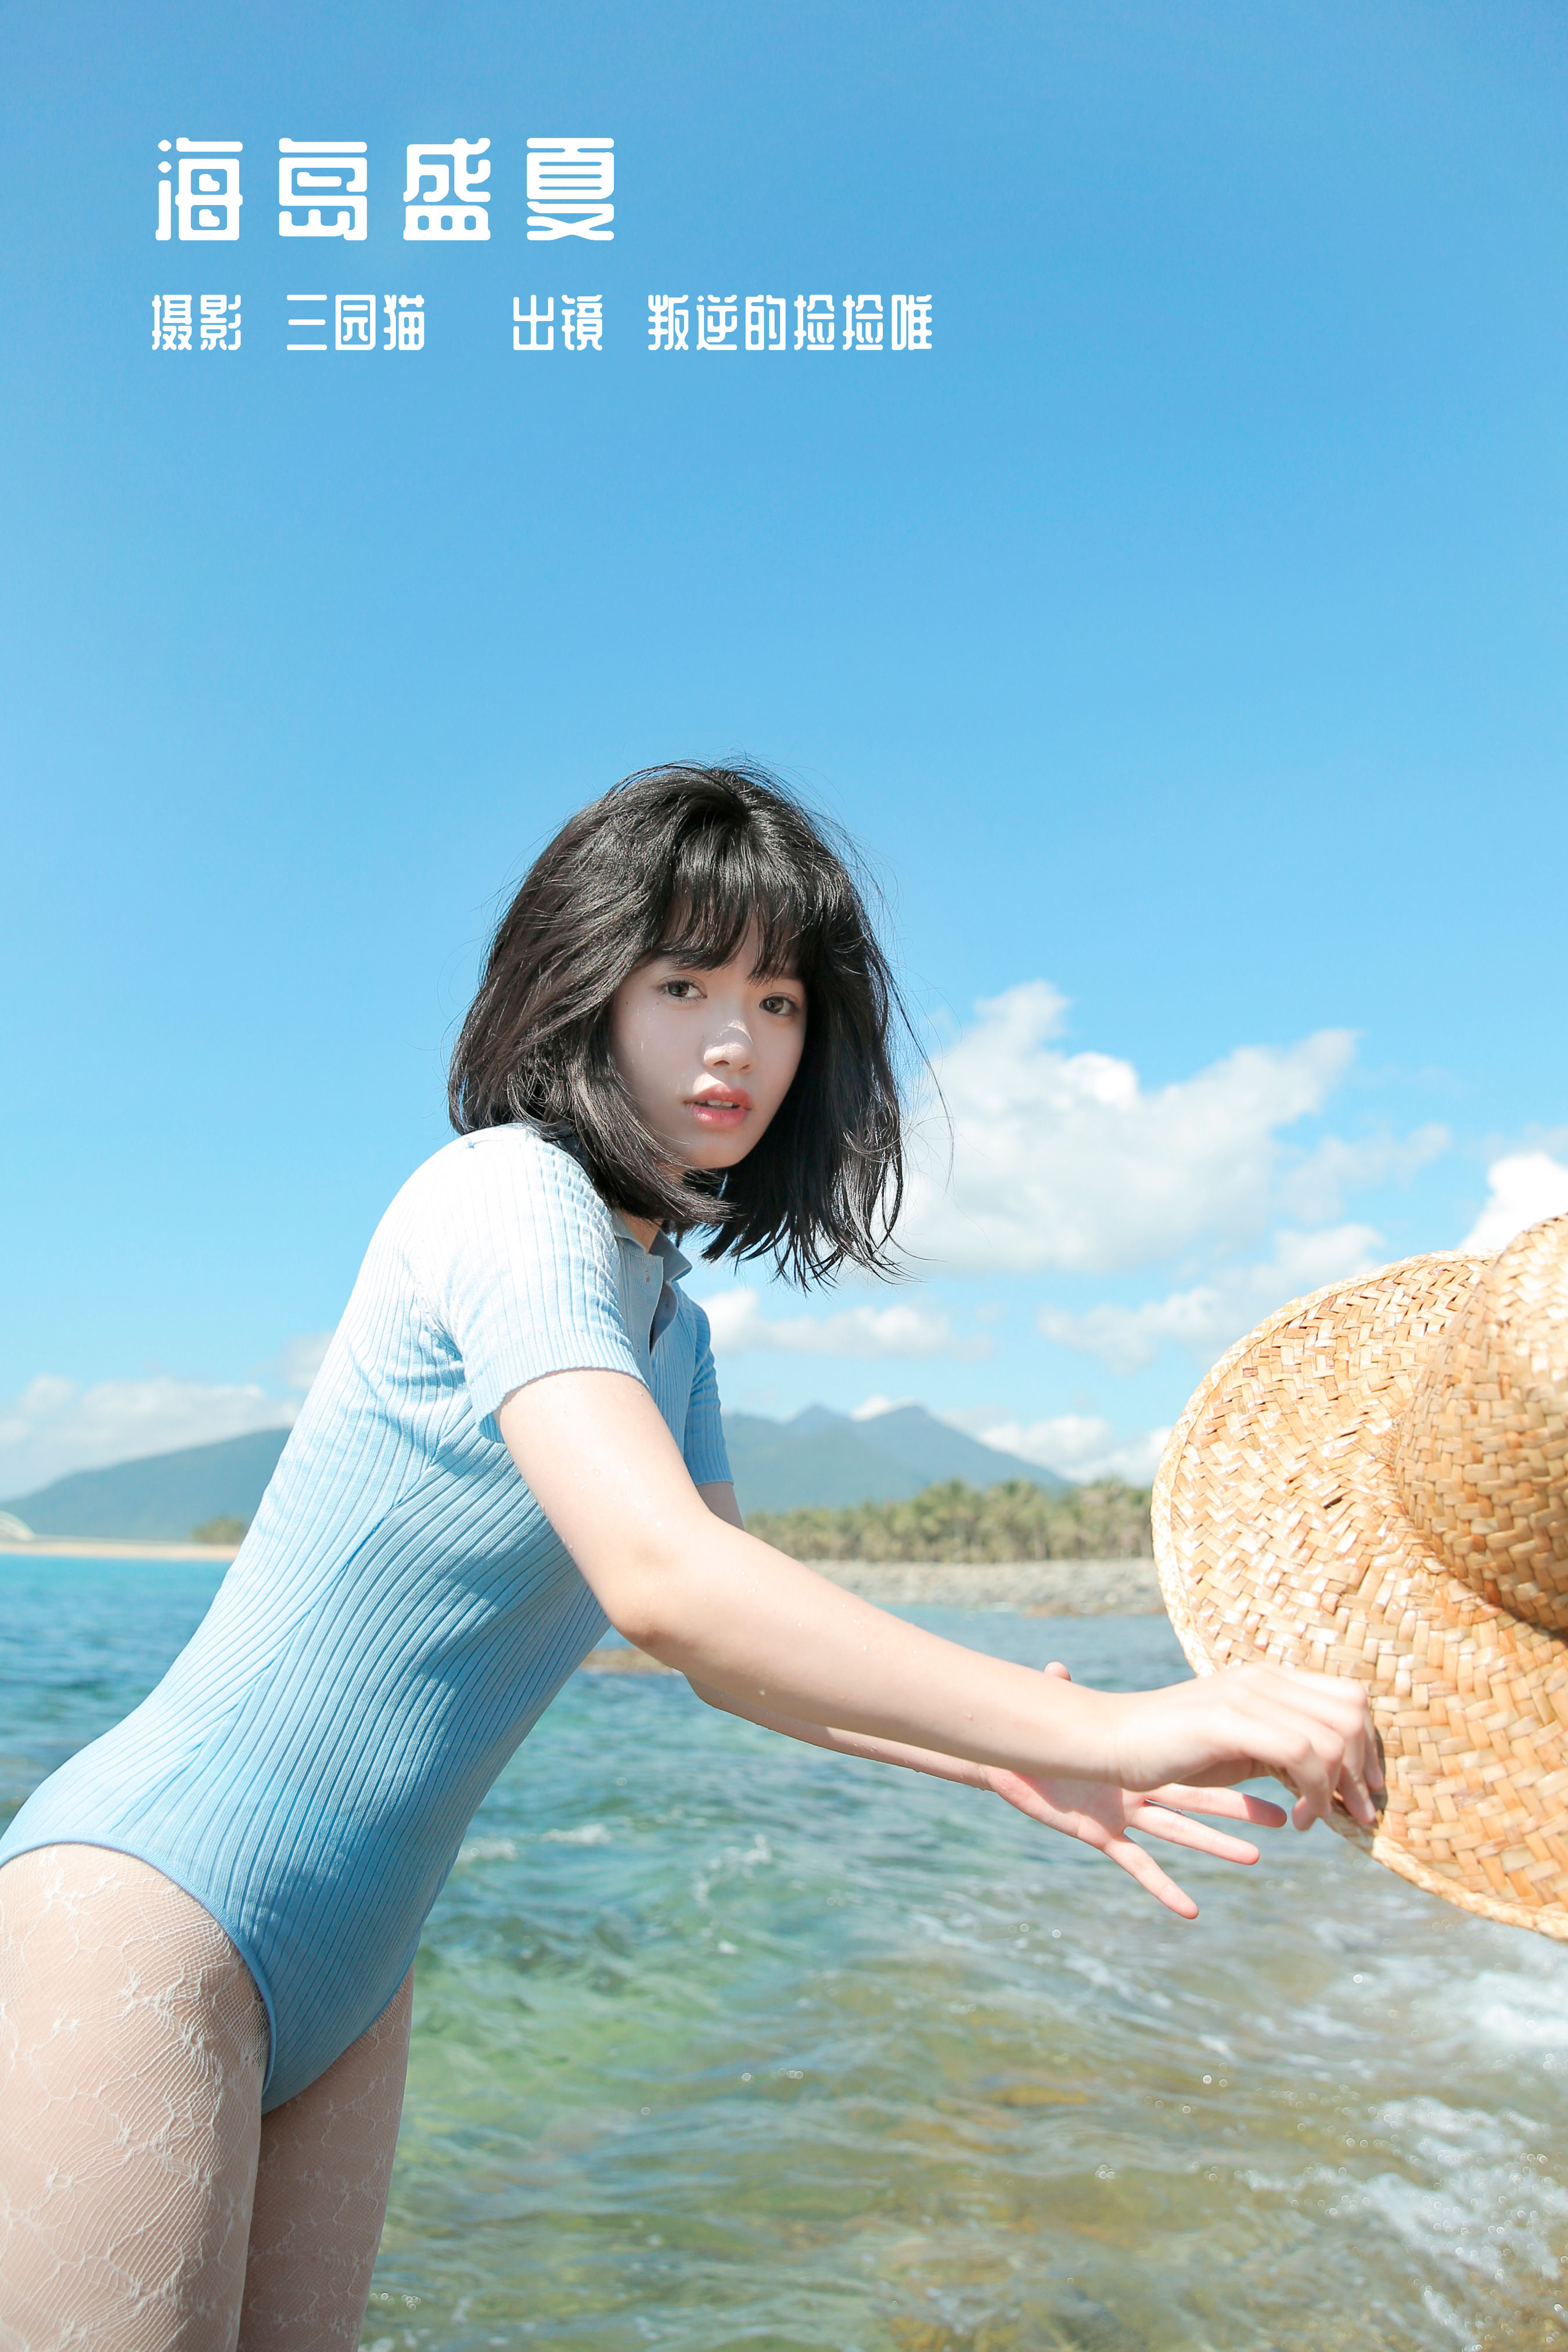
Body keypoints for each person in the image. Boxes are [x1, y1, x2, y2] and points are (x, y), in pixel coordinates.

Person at [0, 763, 1380, 2351]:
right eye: (684, 983)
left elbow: (715, 1651)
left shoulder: (671, 1321)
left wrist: (1006, 1762)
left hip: (357, 1963)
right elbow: (661, 1575)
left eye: (778, 997)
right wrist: (1108, 1718)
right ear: (581, 988)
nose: (737, 1041)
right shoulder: (503, 1196)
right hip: (156, 1901)